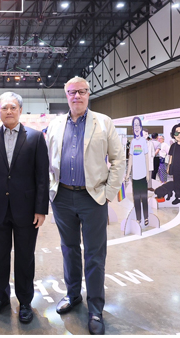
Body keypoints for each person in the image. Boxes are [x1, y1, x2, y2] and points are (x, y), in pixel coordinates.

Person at [46, 77, 125, 335]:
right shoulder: (55, 124)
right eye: (72, 92)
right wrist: (51, 190)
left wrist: (108, 193)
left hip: (93, 198)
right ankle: (72, 295)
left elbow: (118, 159)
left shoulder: (103, 122)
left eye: (82, 91)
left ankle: (95, 308)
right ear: (66, 95)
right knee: (69, 249)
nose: (77, 96)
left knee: (94, 255)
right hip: (62, 198)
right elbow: (46, 160)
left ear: (89, 94)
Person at [0, 92, 49, 324]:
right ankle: (0, 299)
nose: (9, 111)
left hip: (26, 209)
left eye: (13, 107)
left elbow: (42, 176)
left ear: (20, 110)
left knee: (25, 257)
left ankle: (25, 302)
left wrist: (41, 209)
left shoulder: (35, 137)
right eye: (4, 107)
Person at [126, 117, 150, 226]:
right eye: (134, 125)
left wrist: (148, 173)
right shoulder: (132, 142)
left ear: (140, 127)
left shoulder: (143, 141)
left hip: (143, 175)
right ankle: (138, 218)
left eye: (138, 125)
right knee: (136, 198)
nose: (136, 127)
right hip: (135, 176)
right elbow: (130, 158)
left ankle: (146, 217)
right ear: (133, 128)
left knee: (144, 197)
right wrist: (128, 173)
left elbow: (146, 157)